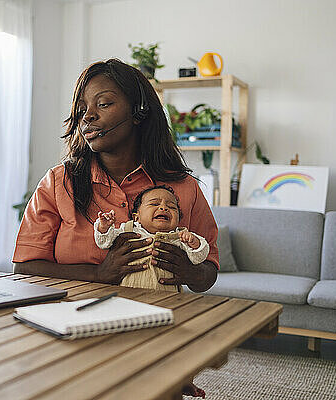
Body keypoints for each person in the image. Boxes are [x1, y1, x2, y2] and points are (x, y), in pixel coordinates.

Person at [13, 58, 217, 399]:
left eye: (103, 104)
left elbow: (209, 271)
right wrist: (98, 274)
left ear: (138, 111)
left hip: (156, 343)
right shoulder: (57, 183)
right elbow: (25, 267)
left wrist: (190, 272)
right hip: (70, 341)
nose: (88, 116)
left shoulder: (183, 189)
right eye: (82, 109)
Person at [94, 185, 209, 292]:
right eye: (154, 204)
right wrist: (104, 227)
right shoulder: (128, 230)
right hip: (128, 294)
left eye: (171, 207)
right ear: (136, 217)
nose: (163, 208)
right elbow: (104, 243)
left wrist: (195, 243)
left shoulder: (180, 237)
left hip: (168, 297)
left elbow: (198, 258)